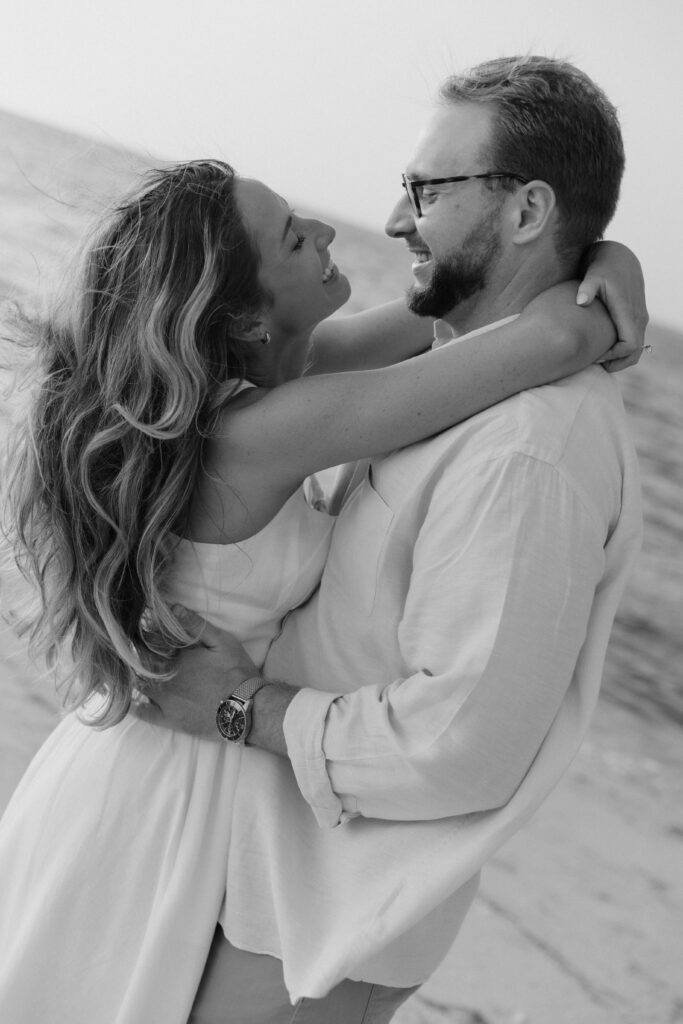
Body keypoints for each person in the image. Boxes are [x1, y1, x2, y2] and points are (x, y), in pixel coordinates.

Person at [0, 73, 643, 1024]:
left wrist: (597, 250)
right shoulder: (262, 429)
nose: (349, 228)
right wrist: (593, 289)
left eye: (422, 189)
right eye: (295, 239)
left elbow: (460, 318)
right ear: (247, 317)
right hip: (161, 792)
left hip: (162, 772)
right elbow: (537, 340)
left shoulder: (275, 385)